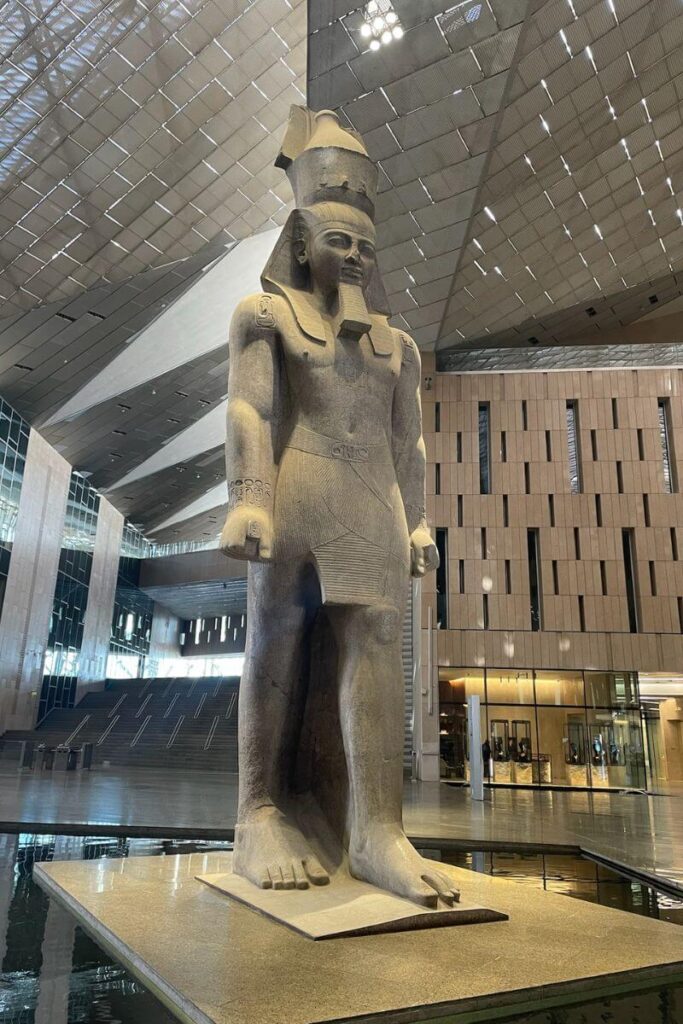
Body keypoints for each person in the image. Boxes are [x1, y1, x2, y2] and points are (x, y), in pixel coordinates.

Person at [220, 107, 457, 907]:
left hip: (371, 502)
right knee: (276, 642)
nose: (353, 256)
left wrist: (417, 520)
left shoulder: (398, 345)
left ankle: (376, 831)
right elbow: (251, 409)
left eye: (364, 247)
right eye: (337, 241)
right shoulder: (264, 316)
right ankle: (257, 813)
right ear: (299, 242)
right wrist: (249, 501)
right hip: (297, 493)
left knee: (377, 643)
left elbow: (407, 443)